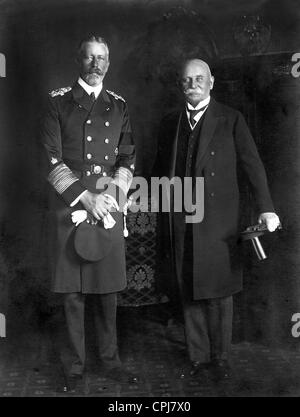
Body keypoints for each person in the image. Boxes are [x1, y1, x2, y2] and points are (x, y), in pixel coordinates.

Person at [153, 58, 280, 380]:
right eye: (186, 80)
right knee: (188, 287)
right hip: (181, 216)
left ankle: (220, 359)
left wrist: (266, 208)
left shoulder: (231, 119)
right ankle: (198, 358)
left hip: (219, 221)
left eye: (199, 79)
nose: (192, 84)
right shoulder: (170, 122)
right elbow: (158, 170)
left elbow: (253, 166)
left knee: (219, 291)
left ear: (211, 82)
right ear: (180, 85)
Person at [40, 35, 137, 391]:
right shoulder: (58, 103)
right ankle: (74, 367)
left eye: (103, 58)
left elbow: (127, 158)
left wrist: (111, 195)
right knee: (73, 293)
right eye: (90, 58)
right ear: (78, 60)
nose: (97, 65)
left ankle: (110, 361)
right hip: (71, 207)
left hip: (108, 205)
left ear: (109, 63)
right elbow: (50, 160)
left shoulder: (119, 105)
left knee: (108, 289)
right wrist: (85, 199)